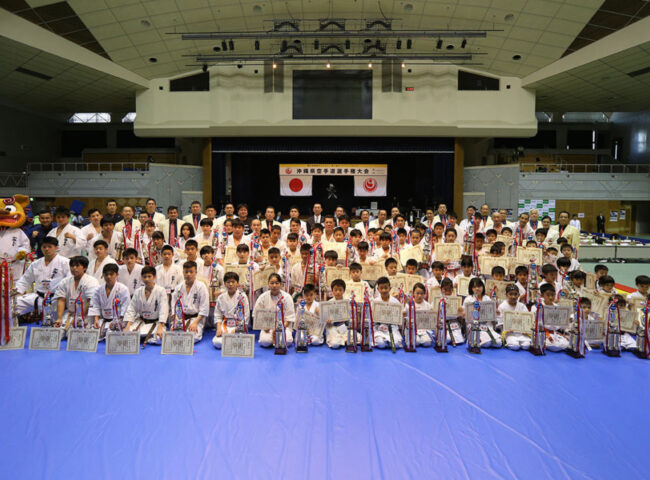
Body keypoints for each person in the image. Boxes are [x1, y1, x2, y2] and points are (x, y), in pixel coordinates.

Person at [14, 237, 70, 318]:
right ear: (41, 248)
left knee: (57, 325)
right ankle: (9, 329)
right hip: (38, 297)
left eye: (50, 247)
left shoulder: (65, 262)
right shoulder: (35, 264)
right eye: (44, 247)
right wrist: (18, 293)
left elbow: (70, 281)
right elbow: (25, 280)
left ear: (56, 248)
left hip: (57, 298)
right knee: (12, 305)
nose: (46, 249)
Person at [123, 266, 169, 344]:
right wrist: (127, 326)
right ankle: (146, 338)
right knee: (125, 335)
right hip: (141, 321)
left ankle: (145, 339)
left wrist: (160, 326)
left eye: (149, 276)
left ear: (154, 277)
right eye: (144, 277)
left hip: (156, 322)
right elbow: (131, 308)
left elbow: (163, 309)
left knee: (159, 338)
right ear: (141, 278)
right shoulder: (138, 291)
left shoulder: (161, 291)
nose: (147, 279)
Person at [53, 255, 99, 332]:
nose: (74, 268)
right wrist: (59, 318)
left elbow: (90, 302)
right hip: (69, 314)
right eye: (72, 266)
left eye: (77, 265)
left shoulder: (91, 281)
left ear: (85, 268)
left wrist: (79, 317)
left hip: (85, 315)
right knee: (57, 333)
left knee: (76, 334)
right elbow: (61, 300)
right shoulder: (65, 281)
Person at [170, 261, 210, 343]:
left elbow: (204, 308)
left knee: (193, 337)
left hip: (196, 319)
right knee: (171, 335)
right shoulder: (178, 288)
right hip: (181, 318)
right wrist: (176, 322)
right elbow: (174, 306)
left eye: (191, 272)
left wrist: (195, 323)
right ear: (183, 273)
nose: (188, 274)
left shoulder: (201, 287)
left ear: (196, 272)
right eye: (186, 272)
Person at [254, 273, 296, 347]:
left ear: (281, 284)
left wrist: (281, 328)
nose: (274, 285)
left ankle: (278, 339)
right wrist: (263, 326)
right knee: (265, 342)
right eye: (272, 283)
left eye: (277, 283)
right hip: (268, 327)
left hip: (284, 326)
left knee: (287, 341)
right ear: (268, 284)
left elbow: (290, 317)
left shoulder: (287, 297)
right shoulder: (263, 297)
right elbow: (256, 314)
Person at [90, 263, 131, 339]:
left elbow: (125, 307)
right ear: (103, 275)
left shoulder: (123, 289)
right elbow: (95, 305)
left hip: (117, 320)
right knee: (92, 334)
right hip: (103, 319)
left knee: (112, 335)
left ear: (117, 275)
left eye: (111, 274)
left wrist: (118, 321)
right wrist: (96, 320)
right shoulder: (98, 290)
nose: (108, 277)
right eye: (106, 274)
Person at [212, 272, 250, 349]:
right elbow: (217, 315)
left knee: (240, 341)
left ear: (237, 283)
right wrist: (219, 328)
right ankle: (230, 341)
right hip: (226, 324)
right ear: (225, 284)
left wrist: (236, 330)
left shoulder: (242, 297)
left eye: (233, 282)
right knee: (217, 343)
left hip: (239, 324)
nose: (231, 284)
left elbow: (246, 315)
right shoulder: (221, 297)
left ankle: (231, 341)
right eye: (228, 282)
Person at [531, 283, 569, 351]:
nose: (551, 297)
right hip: (543, 333)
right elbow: (534, 323)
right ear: (542, 295)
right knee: (555, 346)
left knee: (566, 344)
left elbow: (561, 325)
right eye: (548, 295)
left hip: (555, 333)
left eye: (552, 295)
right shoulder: (537, 307)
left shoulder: (557, 307)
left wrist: (566, 322)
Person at [372, 276, 403, 349]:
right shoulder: (375, 302)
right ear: (378, 289)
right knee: (381, 344)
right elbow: (371, 317)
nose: (384, 290)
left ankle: (389, 341)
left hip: (392, 327)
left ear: (390, 288)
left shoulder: (395, 302)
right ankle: (385, 341)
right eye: (381, 288)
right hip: (379, 327)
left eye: (386, 288)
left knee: (395, 345)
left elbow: (400, 316)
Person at [498, 284, 531, 350]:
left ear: (518, 295)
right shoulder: (502, 306)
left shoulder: (522, 306)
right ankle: (509, 341)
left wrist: (526, 329)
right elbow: (500, 323)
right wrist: (506, 328)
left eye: (515, 294)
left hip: (521, 333)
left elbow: (528, 320)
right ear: (506, 295)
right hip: (509, 333)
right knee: (515, 346)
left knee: (526, 346)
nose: (513, 297)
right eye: (511, 294)